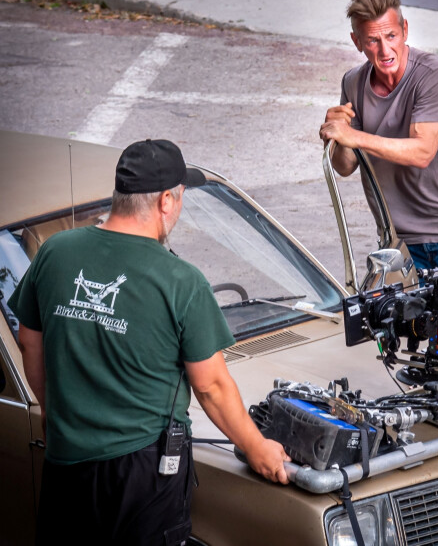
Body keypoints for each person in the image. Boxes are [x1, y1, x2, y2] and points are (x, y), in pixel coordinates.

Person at [8, 139, 290, 546]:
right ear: (165, 202)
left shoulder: (54, 252)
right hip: (143, 472)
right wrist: (256, 445)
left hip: (65, 465)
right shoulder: (180, 280)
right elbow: (210, 387)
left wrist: (55, 413)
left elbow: (29, 341)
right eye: (180, 199)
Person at [319, 0, 438, 281]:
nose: (385, 51)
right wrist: (336, 136)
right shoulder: (353, 83)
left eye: (391, 36)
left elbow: (422, 152)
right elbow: (345, 166)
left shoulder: (434, 75)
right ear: (357, 42)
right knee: (400, 327)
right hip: (397, 243)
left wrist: (355, 137)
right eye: (373, 40)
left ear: (405, 30)